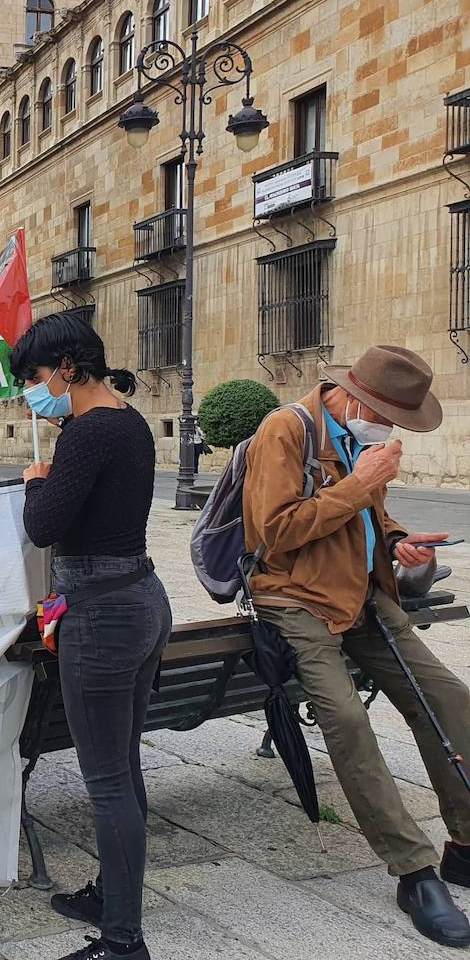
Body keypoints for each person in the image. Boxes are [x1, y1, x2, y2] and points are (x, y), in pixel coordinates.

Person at [243, 345, 470, 948]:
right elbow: (277, 531)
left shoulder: (357, 441)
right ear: (353, 398)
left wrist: (398, 541)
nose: (390, 430)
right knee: (347, 720)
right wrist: (359, 485)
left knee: (449, 697)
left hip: (362, 592)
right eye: (388, 416)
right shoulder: (284, 431)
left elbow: (369, 519)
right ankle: (414, 871)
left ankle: (466, 844)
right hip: (294, 597)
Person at [14, 312, 167, 960]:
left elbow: (45, 526)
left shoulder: (85, 433)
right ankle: (113, 893)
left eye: (36, 376)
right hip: (141, 597)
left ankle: (123, 941)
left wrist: (34, 483)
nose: (33, 390)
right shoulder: (128, 421)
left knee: (106, 778)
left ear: (68, 369)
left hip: (99, 615)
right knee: (123, 764)